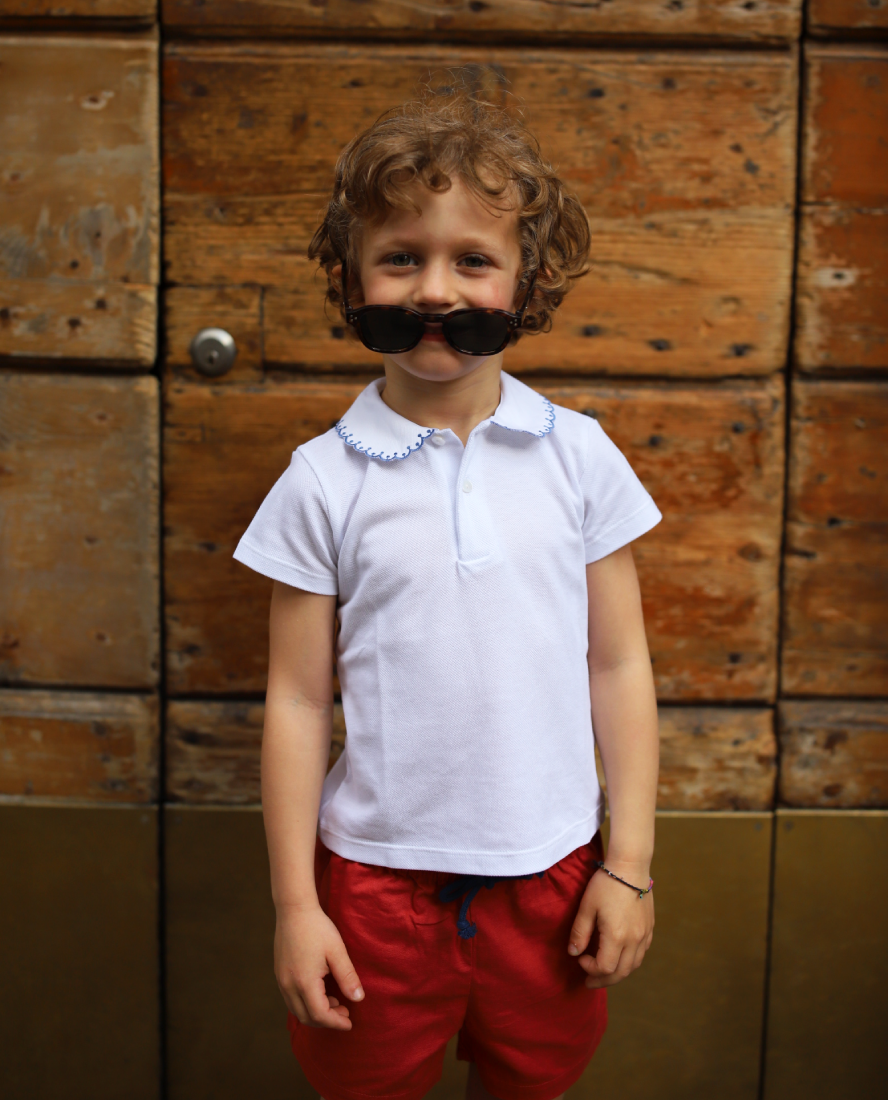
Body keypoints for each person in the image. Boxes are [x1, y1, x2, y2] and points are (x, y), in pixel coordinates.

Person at [233, 75, 661, 1100]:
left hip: (554, 876)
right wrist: (296, 906)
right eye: (401, 257)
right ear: (351, 276)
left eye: (473, 259)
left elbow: (618, 664)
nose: (436, 290)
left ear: (526, 280)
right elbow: (297, 701)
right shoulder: (321, 480)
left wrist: (630, 863)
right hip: (373, 888)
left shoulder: (579, 458)